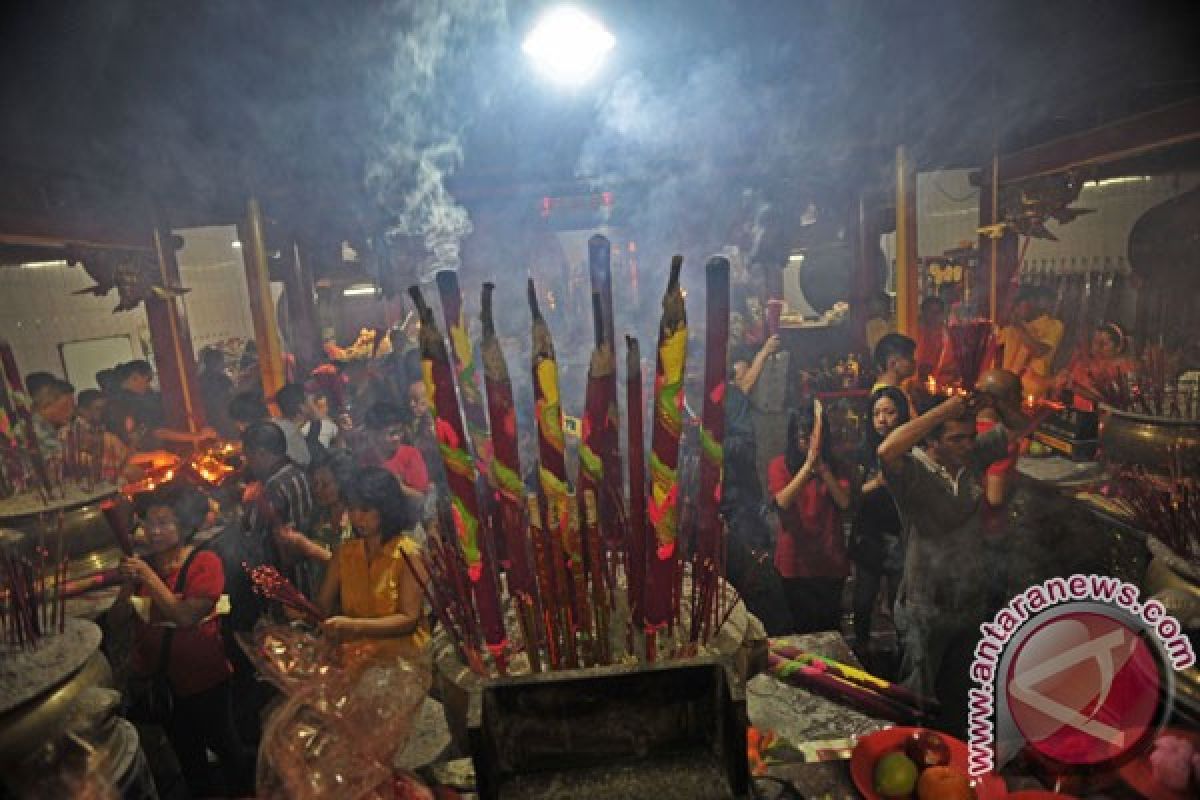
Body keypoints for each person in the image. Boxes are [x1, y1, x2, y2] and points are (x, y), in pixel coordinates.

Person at [876, 386, 1028, 724]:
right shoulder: (914, 473)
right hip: (925, 604)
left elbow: (1021, 427)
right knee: (917, 701)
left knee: (961, 694)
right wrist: (944, 410)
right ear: (932, 443)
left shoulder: (970, 457)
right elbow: (886, 450)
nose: (969, 445)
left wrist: (996, 400)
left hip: (968, 599)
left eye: (971, 437)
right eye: (957, 439)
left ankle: (954, 755)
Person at [114, 485, 252, 797]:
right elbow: (119, 620)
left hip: (206, 682)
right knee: (189, 758)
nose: (155, 531)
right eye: (149, 523)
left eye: (164, 523)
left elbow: (186, 616)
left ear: (184, 525)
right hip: (165, 685)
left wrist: (147, 577)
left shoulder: (204, 563)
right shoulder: (145, 566)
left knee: (226, 748)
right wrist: (126, 586)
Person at [316, 467, 430, 663]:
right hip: (358, 657)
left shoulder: (408, 554)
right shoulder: (344, 553)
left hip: (403, 661)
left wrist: (354, 626)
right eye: (351, 509)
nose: (357, 517)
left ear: (385, 509)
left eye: (365, 510)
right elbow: (322, 607)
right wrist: (300, 607)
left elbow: (408, 619)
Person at [721, 338, 792, 635]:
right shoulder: (673, 405)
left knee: (758, 592)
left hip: (740, 510)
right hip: (701, 518)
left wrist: (708, 444)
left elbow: (744, 445)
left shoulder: (731, 399)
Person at [768, 401, 851, 633]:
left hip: (830, 560)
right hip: (795, 562)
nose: (812, 445)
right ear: (794, 437)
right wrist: (808, 468)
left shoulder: (837, 466)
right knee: (802, 628)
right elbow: (782, 501)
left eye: (817, 439)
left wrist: (822, 469)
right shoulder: (779, 465)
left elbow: (844, 501)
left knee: (830, 628)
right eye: (805, 438)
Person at [849, 387, 909, 656]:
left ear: (902, 415)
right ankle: (861, 646)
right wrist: (878, 483)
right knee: (864, 598)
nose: (882, 419)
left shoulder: (910, 449)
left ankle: (901, 649)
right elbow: (851, 496)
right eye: (876, 413)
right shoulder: (864, 451)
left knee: (900, 599)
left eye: (889, 412)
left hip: (900, 534)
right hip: (870, 534)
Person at [999, 285, 1065, 399]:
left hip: (1031, 394)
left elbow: (1038, 351)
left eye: (1020, 303)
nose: (1016, 308)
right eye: (1015, 304)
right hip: (1006, 390)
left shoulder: (1054, 325)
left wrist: (1019, 327)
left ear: (1034, 303)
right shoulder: (1011, 328)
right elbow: (996, 348)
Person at [1059, 322, 1136, 411]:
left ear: (1118, 347)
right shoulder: (1082, 363)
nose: (1097, 347)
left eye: (1103, 343)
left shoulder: (1122, 369)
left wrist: (1079, 389)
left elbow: (1115, 402)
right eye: (1095, 342)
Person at [228, 390, 310, 467]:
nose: (240, 428)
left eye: (240, 423)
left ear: (248, 419)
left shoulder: (270, 433)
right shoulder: (280, 424)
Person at [73, 388, 131, 482]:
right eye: (98, 409)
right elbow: (83, 462)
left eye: (104, 409)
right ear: (82, 410)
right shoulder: (74, 432)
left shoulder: (102, 428)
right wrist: (120, 469)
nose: (102, 413)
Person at [105, 360, 165, 448]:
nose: (149, 385)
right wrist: (191, 436)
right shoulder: (126, 402)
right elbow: (156, 431)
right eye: (148, 380)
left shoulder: (116, 399)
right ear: (135, 377)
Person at [915, 296, 957, 387]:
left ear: (943, 314)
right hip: (919, 386)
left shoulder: (951, 336)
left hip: (946, 386)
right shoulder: (916, 334)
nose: (934, 316)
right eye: (931, 312)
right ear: (923, 313)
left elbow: (955, 365)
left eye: (938, 312)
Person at [197, 347, 237, 439]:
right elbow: (232, 395)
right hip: (222, 417)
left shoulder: (199, 379)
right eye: (221, 361)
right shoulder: (223, 379)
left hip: (208, 418)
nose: (223, 364)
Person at [274, 382, 316, 466]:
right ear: (301, 407)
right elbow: (305, 462)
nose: (314, 405)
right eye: (310, 402)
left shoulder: (279, 425)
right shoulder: (293, 434)